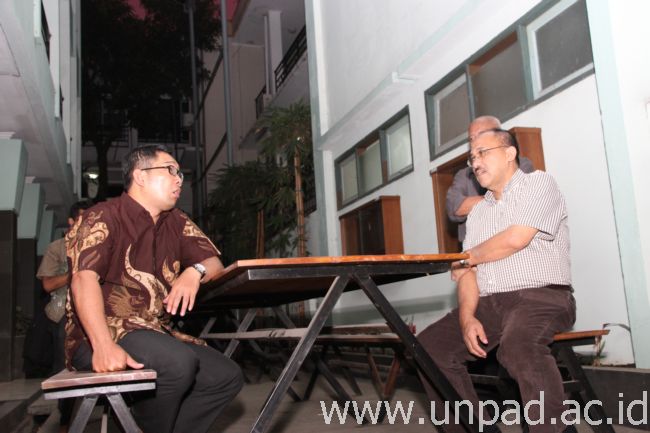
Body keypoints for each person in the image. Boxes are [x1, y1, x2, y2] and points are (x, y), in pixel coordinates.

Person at [64, 144, 243, 433]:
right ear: (140, 176)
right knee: (178, 363)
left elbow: (214, 264)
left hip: (155, 332)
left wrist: (193, 271)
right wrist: (103, 345)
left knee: (225, 376)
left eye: (180, 174)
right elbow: (83, 280)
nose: (179, 179)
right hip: (102, 333)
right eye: (170, 170)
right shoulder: (103, 215)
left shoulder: (176, 221)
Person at [418, 128, 575, 433]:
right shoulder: (477, 213)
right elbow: (467, 273)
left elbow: (516, 239)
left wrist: (468, 258)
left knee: (518, 346)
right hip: (490, 303)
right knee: (430, 347)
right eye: (472, 157)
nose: (475, 162)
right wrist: (466, 318)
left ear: (509, 153)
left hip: (541, 297)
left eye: (482, 153)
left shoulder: (539, 184)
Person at [36, 200, 92, 431]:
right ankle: (65, 421)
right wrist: (77, 275)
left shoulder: (96, 244)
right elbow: (47, 285)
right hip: (63, 316)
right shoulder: (57, 248)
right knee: (65, 368)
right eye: (81, 218)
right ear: (71, 221)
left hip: (92, 312)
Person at [446, 116, 534, 242]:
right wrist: (496, 197)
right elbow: (455, 208)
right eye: (471, 138)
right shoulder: (465, 174)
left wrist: (479, 202)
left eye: (481, 134)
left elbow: (516, 195)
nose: (475, 141)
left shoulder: (522, 166)